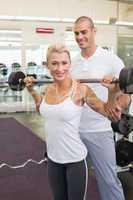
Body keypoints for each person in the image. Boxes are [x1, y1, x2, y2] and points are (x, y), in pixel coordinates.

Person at [24, 44, 122, 200]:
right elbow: (42, 109)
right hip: (53, 160)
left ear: (70, 64)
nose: (60, 68)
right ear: (47, 65)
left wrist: (112, 92)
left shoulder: (81, 90)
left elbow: (107, 112)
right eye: (54, 63)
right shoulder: (47, 89)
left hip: (75, 162)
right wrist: (32, 92)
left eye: (64, 63)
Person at [71, 16, 131, 200]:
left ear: (94, 31)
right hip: (74, 131)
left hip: (99, 130)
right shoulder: (72, 63)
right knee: (74, 182)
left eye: (84, 32)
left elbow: (126, 94)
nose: (80, 37)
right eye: (76, 33)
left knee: (109, 181)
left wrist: (117, 108)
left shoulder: (111, 60)